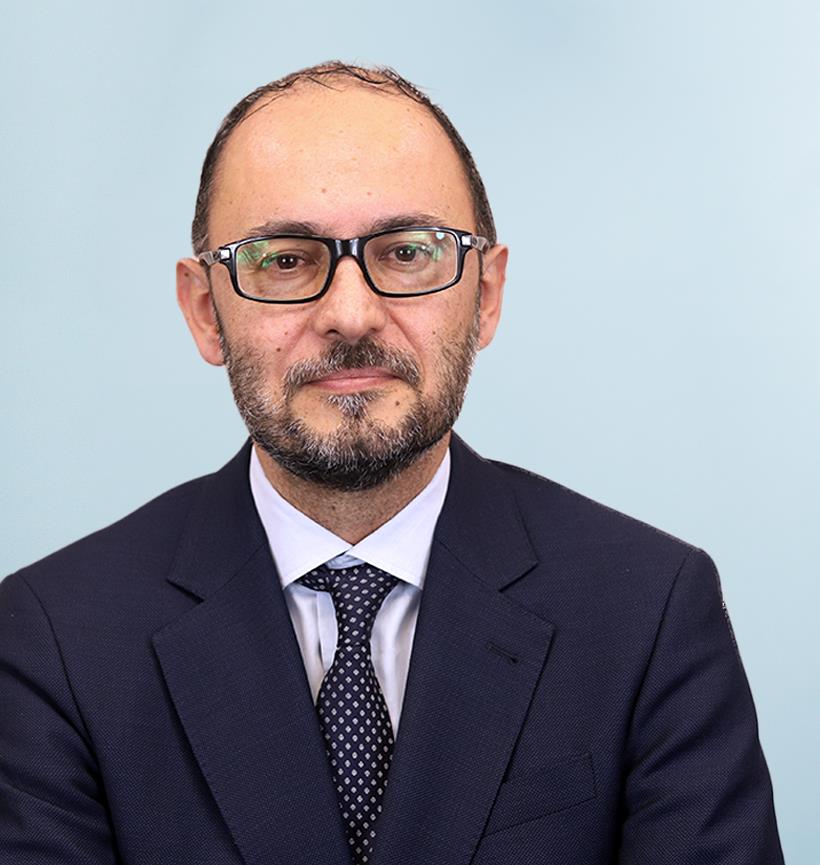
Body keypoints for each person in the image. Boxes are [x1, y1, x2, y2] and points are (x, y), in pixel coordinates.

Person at [0, 62, 784, 865]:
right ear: (206, 311)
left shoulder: (649, 612)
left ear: (486, 296)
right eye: (285, 259)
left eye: (409, 251)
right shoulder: (53, 640)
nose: (350, 314)